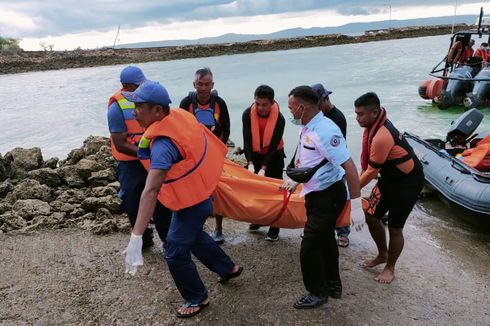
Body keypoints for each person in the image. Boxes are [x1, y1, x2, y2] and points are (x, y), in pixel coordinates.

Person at [123, 80, 242, 319]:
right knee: (195, 237)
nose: (134, 112)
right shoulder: (177, 115)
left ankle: (197, 297)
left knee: (175, 250)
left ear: (157, 111)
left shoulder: (163, 146)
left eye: (139, 107)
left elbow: (151, 191)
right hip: (200, 192)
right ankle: (228, 268)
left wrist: (136, 236)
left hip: (191, 202)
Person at [282, 86, 362, 309]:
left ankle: (317, 292)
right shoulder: (309, 126)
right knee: (325, 240)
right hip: (316, 193)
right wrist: (297, 180)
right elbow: (314, 161)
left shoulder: (325, 131)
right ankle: (333, 284)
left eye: (290, 108)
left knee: (309, 247)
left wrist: (356, 207)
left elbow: (349, 166)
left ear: (301, 107)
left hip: (328, 196)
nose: (289, 113)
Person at [354, 92, 424, 284]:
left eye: (361, 114)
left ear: (375, 113)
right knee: (371, 214)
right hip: (390, 179)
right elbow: (369, 168)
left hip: (408, 183)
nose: (357, 118)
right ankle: (382, 254)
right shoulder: (373, 128)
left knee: (395, 227)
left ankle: (390, 267)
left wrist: (350, 191)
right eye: (356, 113)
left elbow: (369, 173)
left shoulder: (382, 135)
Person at [107, 66, 171, 249]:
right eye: (137, 86)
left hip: (151, 158)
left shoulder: (149, 98)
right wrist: (144, 154)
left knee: (162, 200)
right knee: (132, 201)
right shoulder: (116, 107)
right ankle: (143, 238)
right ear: (125, 86)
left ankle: (168, 240)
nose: (141, 88)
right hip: (130, 164)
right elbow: (120, 143)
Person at [179, 67, 230, 244]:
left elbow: (226, 128)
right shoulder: (186, 102)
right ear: (194, 84)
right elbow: (180, 129)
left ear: (212, 85)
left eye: (206, 84)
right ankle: (197, 228)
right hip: (193, 156)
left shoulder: (219, 103)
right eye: (199, 84)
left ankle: (218, 228)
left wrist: (219, 151)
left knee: (217, 191)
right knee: (194, 191)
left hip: (214, 155)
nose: (203, 88)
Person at [242, 85, 286, 241]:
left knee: (275, 190)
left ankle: (275, 225)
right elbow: (247, 140)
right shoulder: (247, 114)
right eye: (258, 103)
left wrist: (264, 168)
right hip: (255, 154)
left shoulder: (280, 119)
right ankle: (259, 219)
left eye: (264, 104)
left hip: (274, 156)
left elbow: (273, 146)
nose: (260, 108)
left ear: (272, 103)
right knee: (257, 191)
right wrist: (251, 163)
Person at [311, 83, 351, 248]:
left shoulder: (337, 118)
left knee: (340, 200)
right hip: (321, 166)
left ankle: (343, 232)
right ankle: (320, 228)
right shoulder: (318, 117)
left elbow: (335, 150)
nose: (316, 107)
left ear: (325, 99)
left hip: (337, 166)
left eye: (317, 103)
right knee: (320, 200)